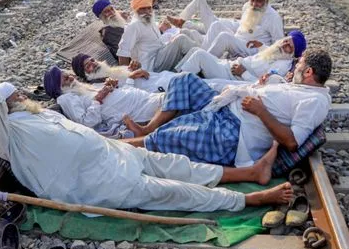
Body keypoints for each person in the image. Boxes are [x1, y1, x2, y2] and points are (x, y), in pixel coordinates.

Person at [0, 82, 294, 213]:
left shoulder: (38, 113)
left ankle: (249, 172)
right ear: (2, 109)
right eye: (14, 98)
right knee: (172, 190)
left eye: (20, 93)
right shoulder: (9, 135)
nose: (22, 97)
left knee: (177, 165)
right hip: (95, 182)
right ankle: (247, 200)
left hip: (113, 153)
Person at [123, 49, 332, 168]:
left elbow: (292, 142)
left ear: (308, 72)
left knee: (169, 136)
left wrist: (261, 111)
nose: (295, 67)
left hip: (232, 131)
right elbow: (282, 101)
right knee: (183, 81)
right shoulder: (302, 88)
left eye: (299, 65)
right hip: (224, 107)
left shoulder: (315, 102)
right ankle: (149, 128)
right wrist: (268, 83)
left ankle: (118, 145)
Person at [167, 0, 284, 57]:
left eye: (259, 1)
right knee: (216, 25)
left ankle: (202, 60)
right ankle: (201, 56)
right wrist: (226, 23)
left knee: (224, 37)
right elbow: (242, 26)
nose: (254, 4)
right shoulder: (247, 7)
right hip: (238, 40)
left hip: (251, 49)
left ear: (266, 1)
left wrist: (262, 50)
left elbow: (278, 45)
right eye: (252, 0)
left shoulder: (273, 17)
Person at [43, 66, 164, 134]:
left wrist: (116, 85)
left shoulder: (82, 88)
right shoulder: (65, 98)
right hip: (141, 111)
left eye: (68, 75)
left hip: (146, 99)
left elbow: (118, 95)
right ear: (58, 86)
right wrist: (98, 99)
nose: (70, 77)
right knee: (178, 85)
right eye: (65, 78)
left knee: (178, 85)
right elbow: (87, 123)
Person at [177, 31, 306, 82]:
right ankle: (175, 74)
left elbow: (263, 85)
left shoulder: (282, 67)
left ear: (293, 54)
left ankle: (175, 84)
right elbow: (269, 55)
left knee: (199, 55)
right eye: (285, 40)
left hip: (232, 76)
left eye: (289, 46)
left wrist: (243, 73)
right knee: (195, 49)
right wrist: (261, 46)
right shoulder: (279, 53)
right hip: (228, 65)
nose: (284, 45)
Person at [117, 0, 198, 72]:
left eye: (149, 8)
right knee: (181, 39)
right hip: (152, 65)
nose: (147, 12)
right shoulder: (134, 26)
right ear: (136, 10)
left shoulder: (149, 21)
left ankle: (199, 58)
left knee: (184, 32)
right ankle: (201, 57)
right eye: (143, 9)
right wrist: (126, 77)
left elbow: (155, 42)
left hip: (160, 55)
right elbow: (123, 52)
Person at [71, 53, 176, 93]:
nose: (93, 64)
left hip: (162, 77)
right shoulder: (98, 86)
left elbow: (138, 73)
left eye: (92, 60)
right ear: (84, 74)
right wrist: (131, 77)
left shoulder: (111, 70)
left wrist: (136, 67)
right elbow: (125, 97)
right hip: (159, 90)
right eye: (88, 66)